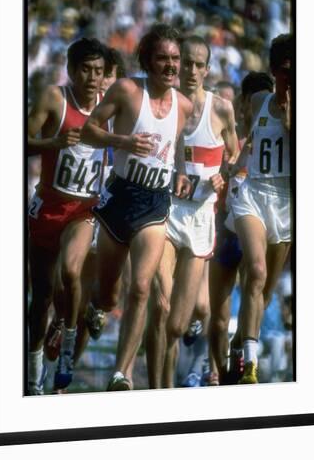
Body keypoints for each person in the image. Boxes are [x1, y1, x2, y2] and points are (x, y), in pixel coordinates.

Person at [81, 23, 193, 391]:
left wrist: (180, 173)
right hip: (121, 196)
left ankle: (120, 372)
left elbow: (176, 148)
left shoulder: (184, 106)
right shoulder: (128, 90)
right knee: (108, 292)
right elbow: (88, 131)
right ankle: (95, 306)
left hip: (155, 203)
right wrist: (123, 141)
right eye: (163, 58)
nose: (171, 65)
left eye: (175, 58)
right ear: (148, 60)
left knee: (142, 287)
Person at [146, 35, 239, 389]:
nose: (192, 70)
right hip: (166, 211)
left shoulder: (221, 109)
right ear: (177, 63)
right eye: (186, 62)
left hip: (201, 218)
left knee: (176, 326)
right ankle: (157, 390)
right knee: (161, 305)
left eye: (199, 64)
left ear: (207, 69)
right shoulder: (163, 105)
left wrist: (222, 176)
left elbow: (233, 154)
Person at [27, 37, 107, 393]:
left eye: (99, 71)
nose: (93, 77)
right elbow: (18, 141)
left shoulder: (111, 108)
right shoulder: (53, 99)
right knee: (41, 294)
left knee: (72, 270)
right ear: (72, 70)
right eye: (86, 70)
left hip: (84, 209)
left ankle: (69, 341)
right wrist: (53, 143)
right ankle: (33, 373)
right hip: (48, 206)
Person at [230, 34, 293, 384]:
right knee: (254, 271)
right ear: (273, 71)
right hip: (253, 193)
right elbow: (249, 138)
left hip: (287, 202)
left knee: (265, 292)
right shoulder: (258, 100)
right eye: (285, 72)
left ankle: (239, 347)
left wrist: (289, 120)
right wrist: (234, 164)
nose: (291, 80)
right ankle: (250, 367)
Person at [208, 71, 274, 385]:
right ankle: (220, 375)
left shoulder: (274, 138)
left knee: (261, 294)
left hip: (257, 232)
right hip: (225, 233)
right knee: (219, 321)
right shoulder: (226, 137)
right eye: (256, 100)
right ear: (245, 103)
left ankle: (241, 353)